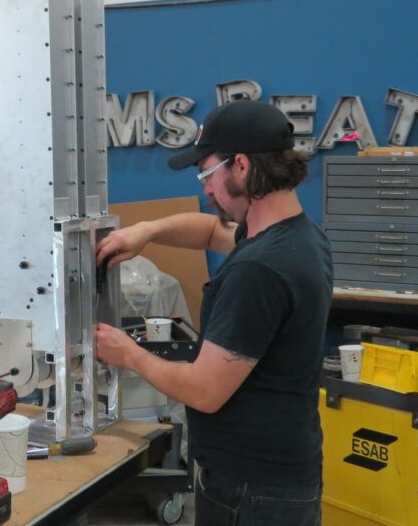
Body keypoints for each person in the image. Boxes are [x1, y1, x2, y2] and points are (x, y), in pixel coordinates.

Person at [94, 100, 332, 525]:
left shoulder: (259, 269)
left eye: (207, 173)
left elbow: (204, 390)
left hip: (250, 491)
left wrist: (127, 353)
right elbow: (209, 231)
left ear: (240, 166)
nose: (205, 187)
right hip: (282, 472)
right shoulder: (298, 236)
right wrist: (146, 231)